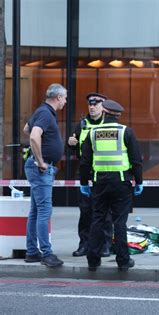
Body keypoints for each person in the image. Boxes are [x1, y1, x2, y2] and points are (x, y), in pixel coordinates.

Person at [79, 99, 143, 271]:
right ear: (118, 115)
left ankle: (93, 260)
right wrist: (139, 182)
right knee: (119, 222)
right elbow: (136, 160)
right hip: (121, 183)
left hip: (99, 183)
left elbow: (85, 161)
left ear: (104, 113)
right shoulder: (126, 132)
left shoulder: (93, 133)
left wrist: (84, 182)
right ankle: (123, 261)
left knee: (97, 219)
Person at [22, 83, 67, 268]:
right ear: (57, 97)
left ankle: (32, 252)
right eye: (64, 98)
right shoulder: (46, 113)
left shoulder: (42, 112)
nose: (65, 102)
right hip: (41, 168)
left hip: (39, 167)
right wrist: (40, 161)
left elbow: (26, 128)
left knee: (35, 211)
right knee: (44, 211)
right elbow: (33, 135)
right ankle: (46, 254)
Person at [68, 93, 113, 258]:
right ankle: (84, 245)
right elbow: (75, 145)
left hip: (104, 172)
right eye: (90, 104)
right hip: (86, 173)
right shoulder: (82, 125)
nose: (92, 107)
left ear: (103, 106)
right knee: (85, 211)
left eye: (96, 104)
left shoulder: (109, 124)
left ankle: (105, 245)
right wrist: (70, 143)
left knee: (105, 212)